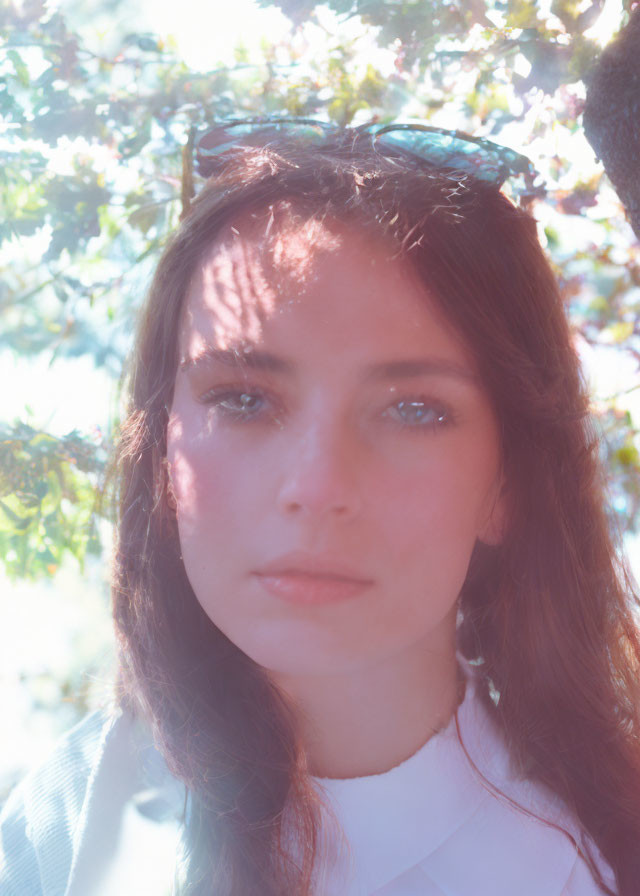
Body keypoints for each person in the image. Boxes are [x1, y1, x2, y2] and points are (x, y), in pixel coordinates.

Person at [1, 119, 639, 896]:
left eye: (412, 410)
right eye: (242, 399)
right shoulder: (70, 809)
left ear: (509, 483)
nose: (316, 484)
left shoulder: (587, 866)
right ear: (162, 451)